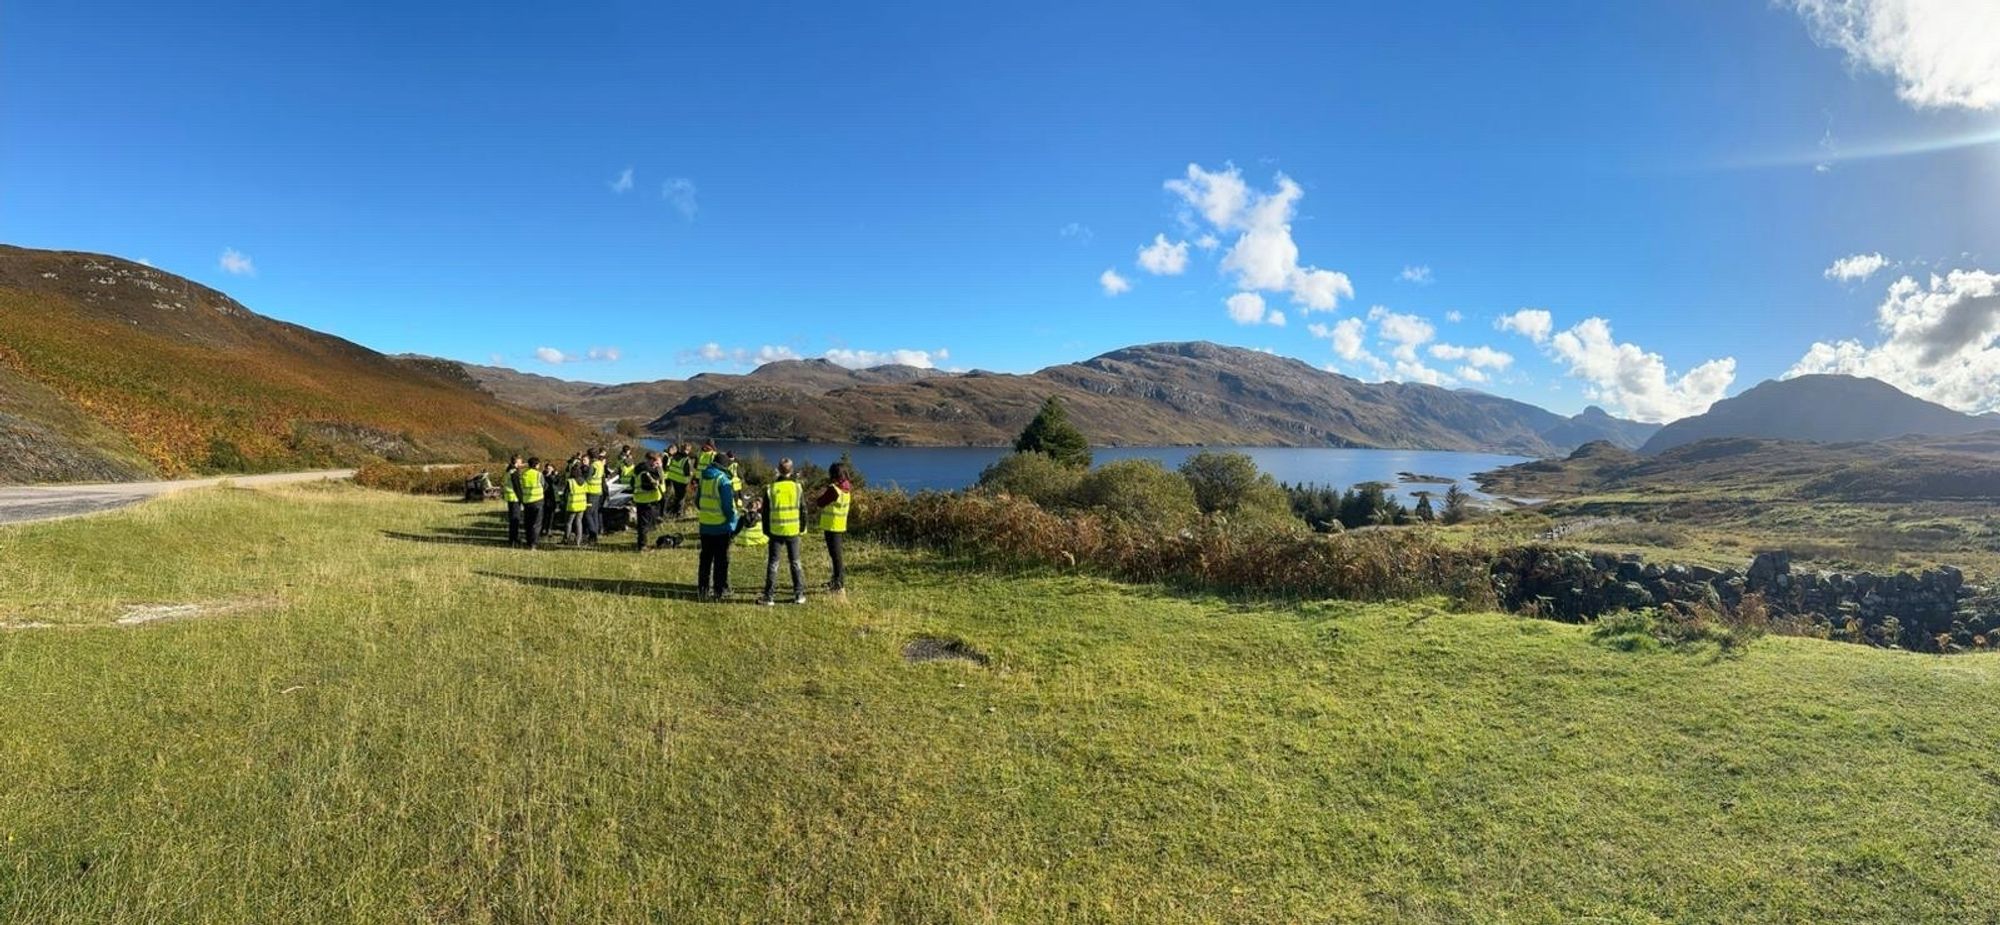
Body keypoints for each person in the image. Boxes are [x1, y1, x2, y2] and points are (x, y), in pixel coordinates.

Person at [758, 458, 807, 606]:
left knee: (773, 563)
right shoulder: (797, 488)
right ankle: (799, 595)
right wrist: (802, 528)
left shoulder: (770, 488)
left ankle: (769, 596)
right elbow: (803, 510)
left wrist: (766, 530)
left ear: (778, 470)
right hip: (793, 530)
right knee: (795, 562)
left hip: (775, 530)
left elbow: (765, 513)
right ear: (791, 470)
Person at [692, 450, 737, 600]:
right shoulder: (722, 480)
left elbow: (697, 502)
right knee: (721, 560)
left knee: (705, 559)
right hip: (721, 526)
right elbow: (728, 506)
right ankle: (720, 590)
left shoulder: (704, 478)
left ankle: (702, 590)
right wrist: (733, 520)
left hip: (705, 525)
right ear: (724, 466)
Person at [815, 461, 853, 595]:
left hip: (831, 525)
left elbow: (820, 502)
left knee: (836, 556)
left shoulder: (834, 490)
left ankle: (839, 583)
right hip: (839, 524)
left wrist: (821, 493)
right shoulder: (846, 488)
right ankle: (836, 580)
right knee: (836, 555)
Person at [632, 450, 666, 551]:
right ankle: (642, 546)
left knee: (645, 524)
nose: (657, 464)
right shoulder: (646, 472)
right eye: (655, 461)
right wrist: (658, 475)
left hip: (643, 499)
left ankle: (643, 543)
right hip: (646, 500)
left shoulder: (641, 469)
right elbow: (650, 486)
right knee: (644, 525)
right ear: (650, 460)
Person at [512, 456, 544, 549]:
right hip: (538, 501)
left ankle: (528, 541)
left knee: (528, 523)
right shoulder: (539, 474)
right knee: (537, 523)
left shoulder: (523, 474)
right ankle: (534, 543)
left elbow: (520, 487)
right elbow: (544, 485)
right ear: (537, 465)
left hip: (527, 501)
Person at [564, 461, 591, 546]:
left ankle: (567, 539)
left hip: (572, 505)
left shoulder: (570, 482)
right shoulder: (584, 481)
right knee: (579, 522)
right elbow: (586, 492)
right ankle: (578, 540)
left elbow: (566, 494)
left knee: (569, 523)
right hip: (582, 504)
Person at [583, 448, 606, 544]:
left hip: (591, 491)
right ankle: (595, 533)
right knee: (594, 513)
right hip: (598, 491)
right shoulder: (600, 464)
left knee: (588, 513)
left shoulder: (593, 465)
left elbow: (587, 477)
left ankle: (593, 535)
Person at [664, 443, 693, 517]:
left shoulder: (675, 456)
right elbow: (687, 473)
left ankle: (673, 511)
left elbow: (670, 466)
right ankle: (679, 513)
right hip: (682, 481)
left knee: (676, 496)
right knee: (681, 498)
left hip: (673, 478)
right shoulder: (686, 459)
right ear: (688, 451)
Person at [501, 456, 523, 546]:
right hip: (514, 498)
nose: (521, 463)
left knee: (512, 520)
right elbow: (517, 487)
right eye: (521, 461)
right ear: (516, 462)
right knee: (515, 520)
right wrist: (522, 499)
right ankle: (514, 539)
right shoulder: (514, 472)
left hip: (510, 497)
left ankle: (512, 538)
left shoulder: (508, 471)